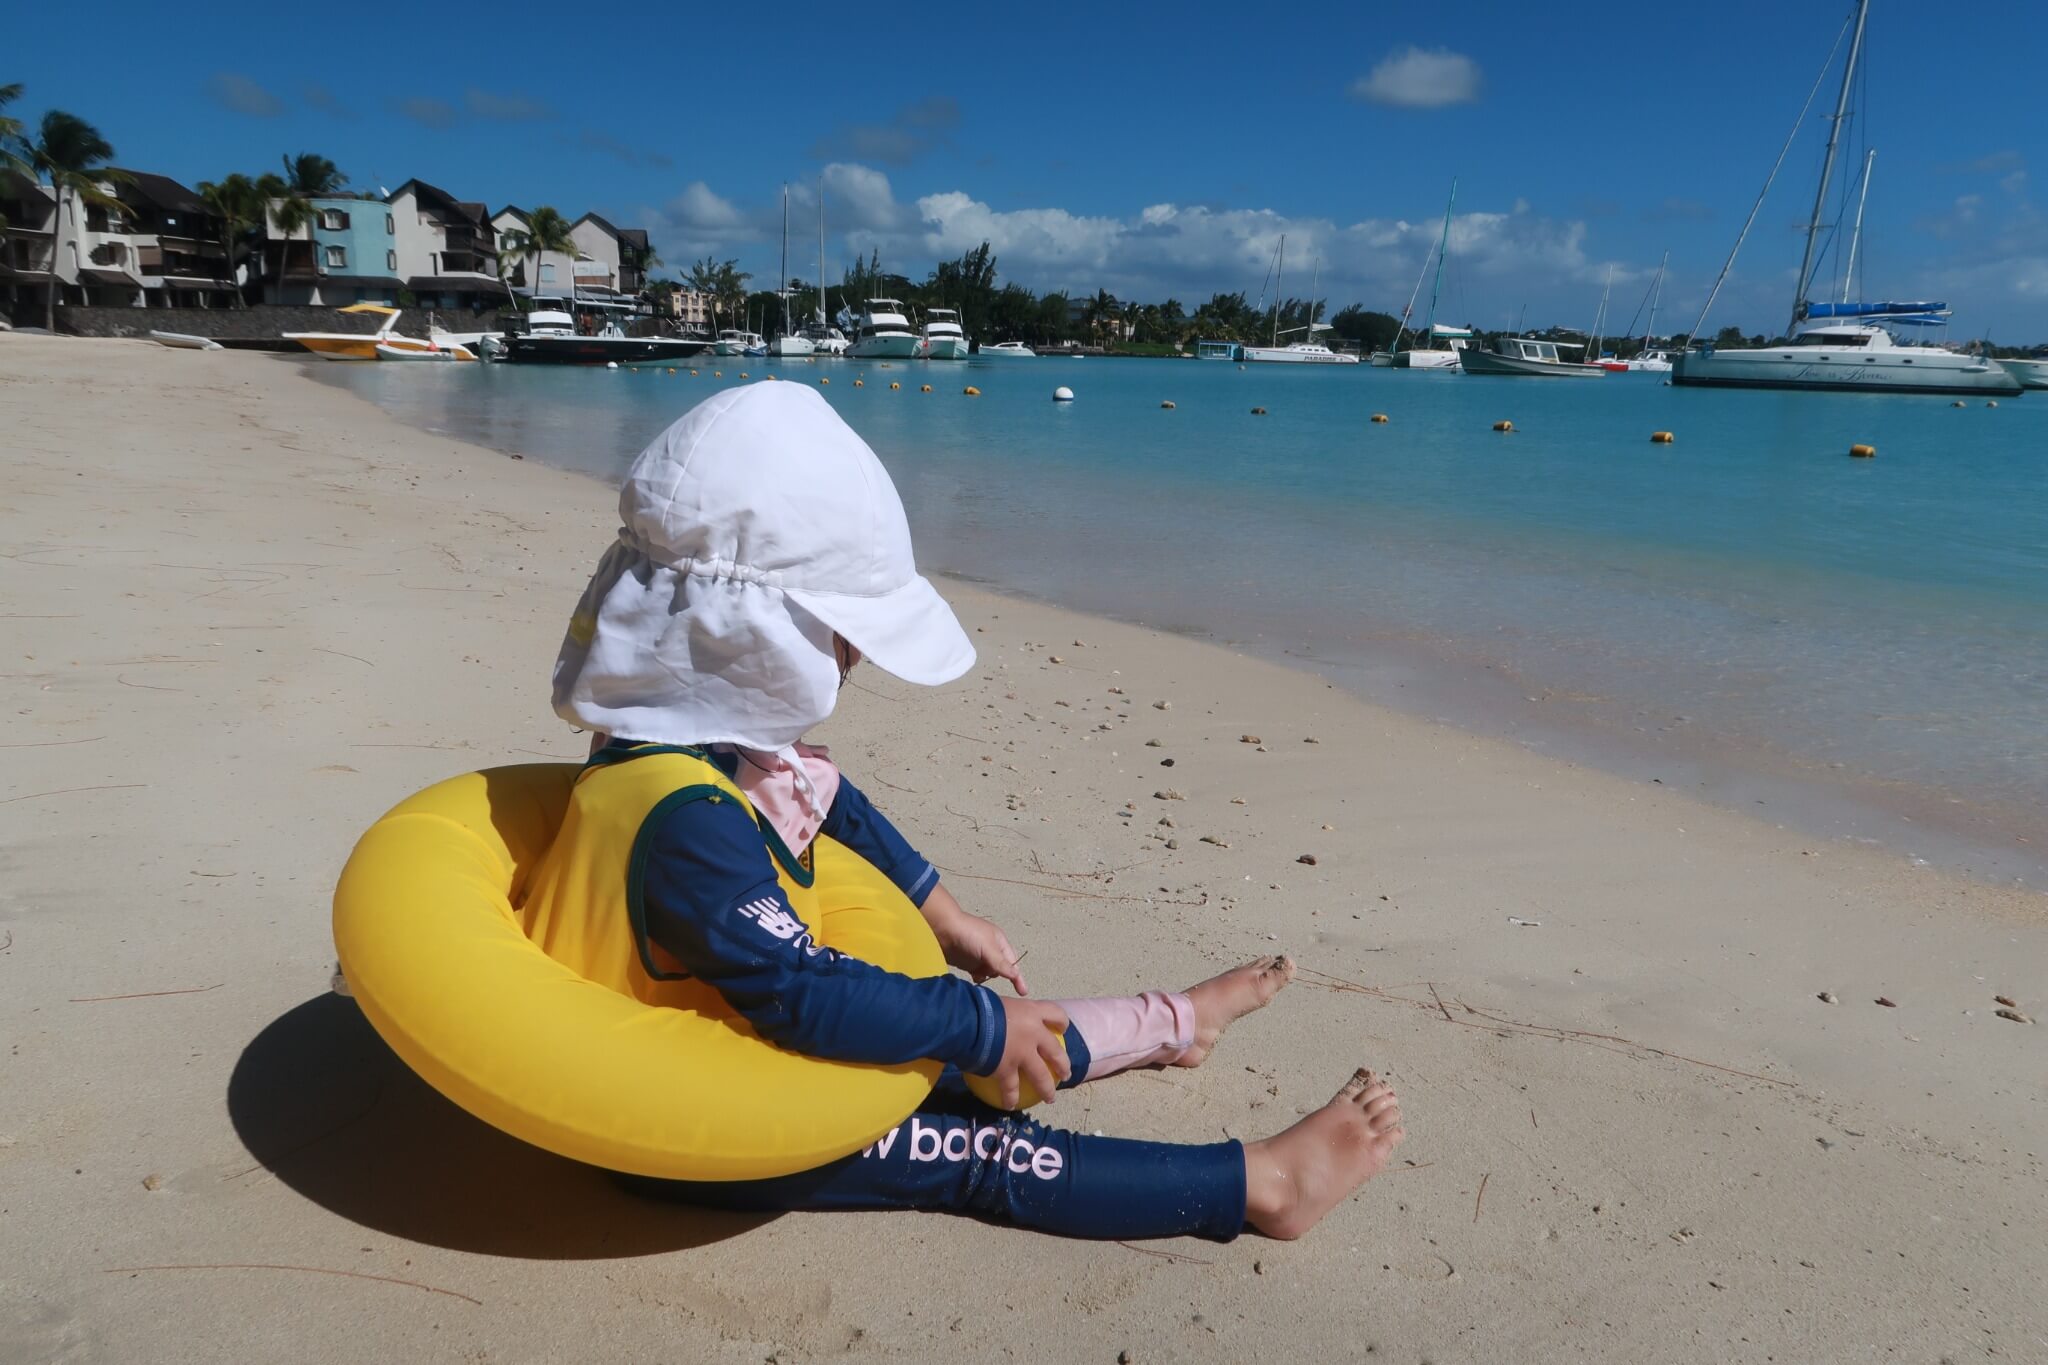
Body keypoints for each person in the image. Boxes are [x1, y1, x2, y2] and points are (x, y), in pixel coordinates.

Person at [535, 382, 1405, 1240]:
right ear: (754, 635)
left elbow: (836, 807)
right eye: (844, 637)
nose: (857, 661)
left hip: (731, 1035)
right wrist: (978, 1024)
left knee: (986, 1035)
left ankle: (1177, 1022)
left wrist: (942, 913)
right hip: (683, 1121)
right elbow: (797, 991)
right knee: (979, 1147)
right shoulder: (683, 814)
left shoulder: (686, 748)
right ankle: (1266, 1184)